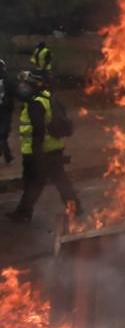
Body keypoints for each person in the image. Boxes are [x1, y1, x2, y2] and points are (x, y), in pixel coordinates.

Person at [8, 72, 81, 222]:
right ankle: (76, 208)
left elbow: (38, 129)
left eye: (26, 84)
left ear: (34, 85)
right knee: (60, 181)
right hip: (54, 148)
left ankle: (23, 213)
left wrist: (36, 152)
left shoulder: (35, 103)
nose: (23, 88)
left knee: (33, 183)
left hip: (39, 151)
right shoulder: (48, 98)